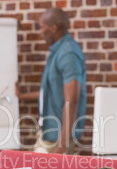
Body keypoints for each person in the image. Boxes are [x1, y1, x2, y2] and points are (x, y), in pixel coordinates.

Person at [15, 7, 87, 154]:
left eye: (42, 27)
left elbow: (72, 99)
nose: (40, 32)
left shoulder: (68, 53)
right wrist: (22, 96)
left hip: (58, 138)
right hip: (49, 133)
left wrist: (63, 144)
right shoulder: (58, 51)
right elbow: (50, 92)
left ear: (54, 28)